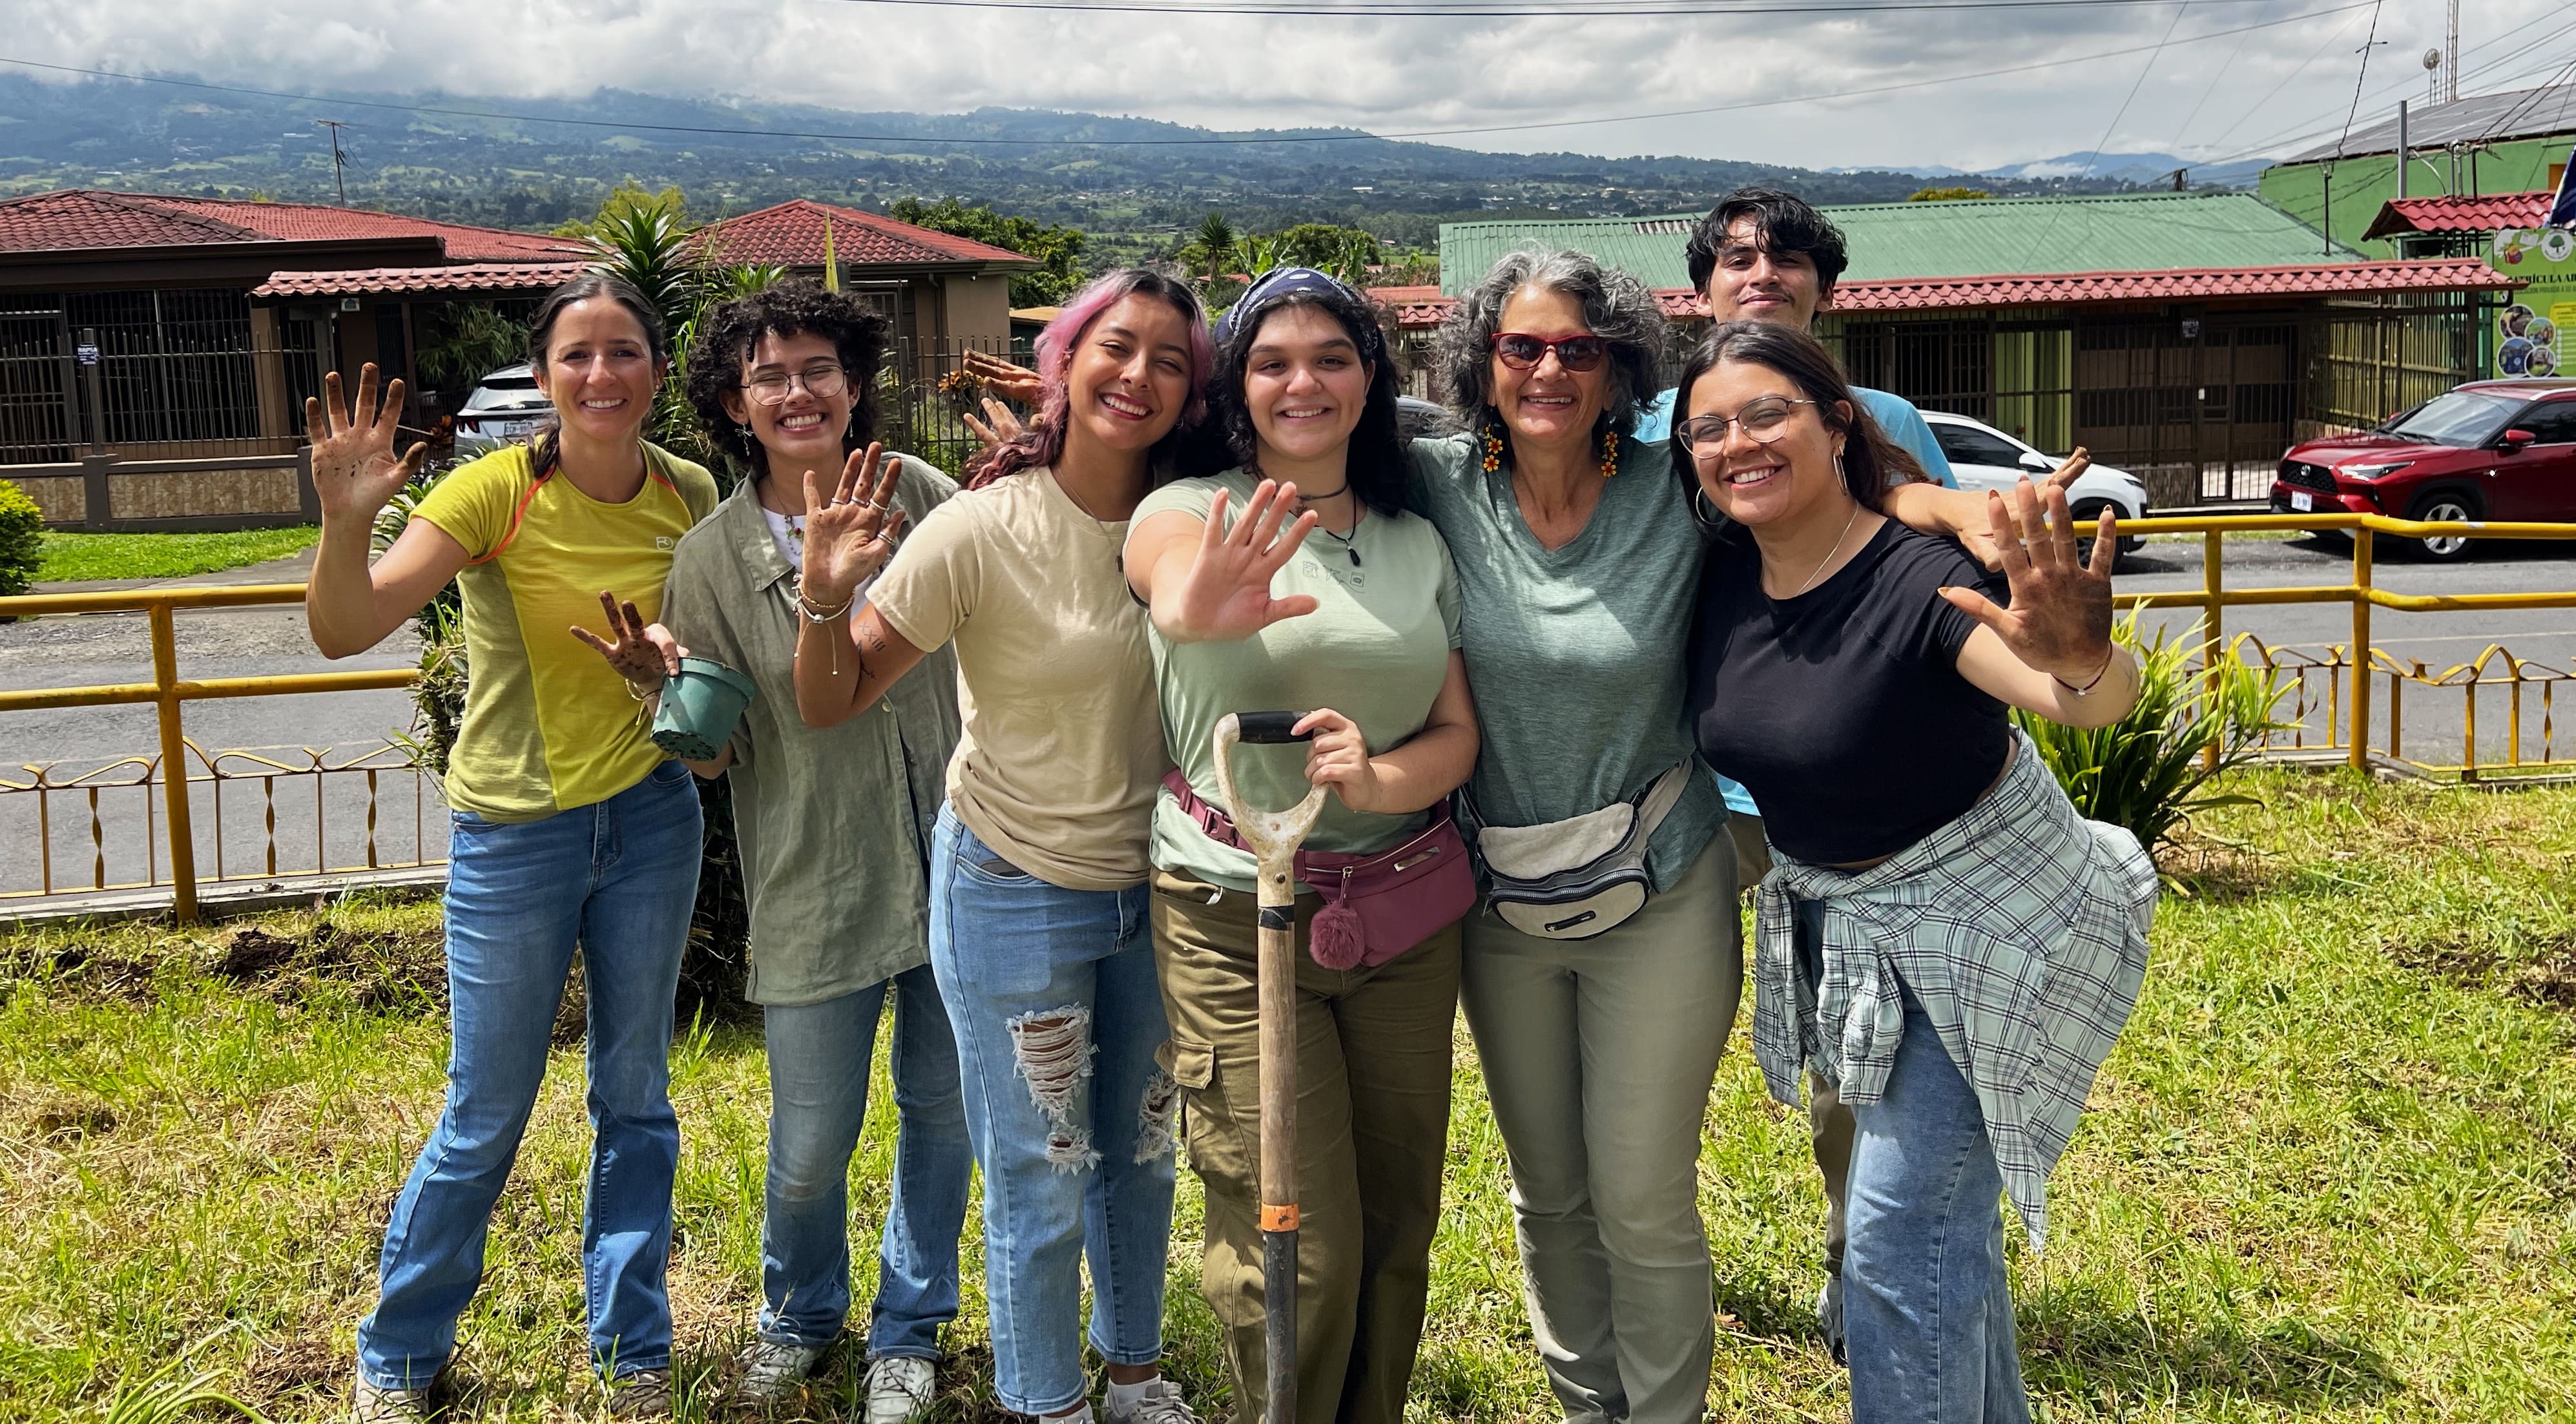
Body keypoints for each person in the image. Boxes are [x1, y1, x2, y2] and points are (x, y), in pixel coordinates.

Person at [1674, 320, 2154, 1420]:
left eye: (1766, 415)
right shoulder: (1723, 568)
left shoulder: (1922, 578)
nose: (1738, 443)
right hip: (1849, 932)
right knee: (1943, 1242)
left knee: (1894, 1244)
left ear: (1837, 423)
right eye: (1711, 427)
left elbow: (2069, 694)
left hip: (1983, 931)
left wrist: (2085, 659)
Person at [793, 267, 1214, 1424]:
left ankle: (1132, 1377)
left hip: (1160, 886)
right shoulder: (980, 528)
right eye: (1116, 348)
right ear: (1065, 363)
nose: (1139, 376)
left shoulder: (1200, 519)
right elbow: (834, 699)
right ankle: (1044, 1402)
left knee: (1142, 1150)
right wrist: (825, 601)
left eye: (1171, 360)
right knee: (1043, 1166)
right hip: (1014, 887)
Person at [305, 274, 719, 1423]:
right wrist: (346, 523)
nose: (601, 374)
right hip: (516, 838)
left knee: (636, 1096)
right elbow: (347, 626)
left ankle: (634, 1346)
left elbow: (706, 676)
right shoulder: (495, 491)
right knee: (486, 1109)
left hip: (651, 819)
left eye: (624, 351)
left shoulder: (690, 490)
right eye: (577, 355)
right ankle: (399, 1354)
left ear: (655, 368)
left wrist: (665, 678)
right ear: (543, 377)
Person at [1123, 268, 1480, 1424]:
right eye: (1273, 360)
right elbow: (1173, 594)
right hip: (1232, 907)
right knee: (1294, 1236)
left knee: (1393, 1221)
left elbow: (1457, 733)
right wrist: (1203, 604)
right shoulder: (1187, 512)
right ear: (1240, 385)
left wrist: (1378, 776)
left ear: (1370, 379)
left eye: (1331, 356)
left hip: (1403, 914)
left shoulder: (1419, 543)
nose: (1303, 381)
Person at [634, 282, 971, 1422]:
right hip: (813, 876)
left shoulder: (922, 498)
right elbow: (715, 755)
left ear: (855, 382)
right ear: (734, 403)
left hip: (959, 858)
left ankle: (910, 1329)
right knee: (812, 1134)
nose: (796, 392)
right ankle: (801, 1312)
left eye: (816, 368)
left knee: (944, 1110)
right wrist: (662, 695)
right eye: (768, 376)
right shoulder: (714, 558)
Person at [1636, 185, 1960, 1360]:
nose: (1761, 271)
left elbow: (1919, 517)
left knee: (1852, 1053)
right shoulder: (1651, 424)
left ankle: (1852, 1251)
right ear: (1703, 288)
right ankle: (1648, 1256)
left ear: (1826, 288)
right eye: (1736, 257)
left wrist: (1947, 501)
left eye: (1787, 258)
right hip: (1693, 791)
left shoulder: (1881, 417)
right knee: (1656, 1042)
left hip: (1842, 807)